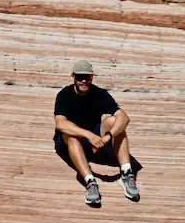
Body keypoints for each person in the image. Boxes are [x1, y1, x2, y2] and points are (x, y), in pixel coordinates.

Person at [54, 60, 139, 205]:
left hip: (94, 139)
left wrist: (107, 137)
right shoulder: (64, 95)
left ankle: (126, 173)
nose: (83, 81)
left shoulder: (100, 94)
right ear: (73, 76)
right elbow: (60, 123)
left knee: (115, 122)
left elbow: (124, 117)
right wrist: (89, 135)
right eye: (80, 77)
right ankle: (90, 182)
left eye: (87, 77)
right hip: (69, 143)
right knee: (72, 135)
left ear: (92, 77)